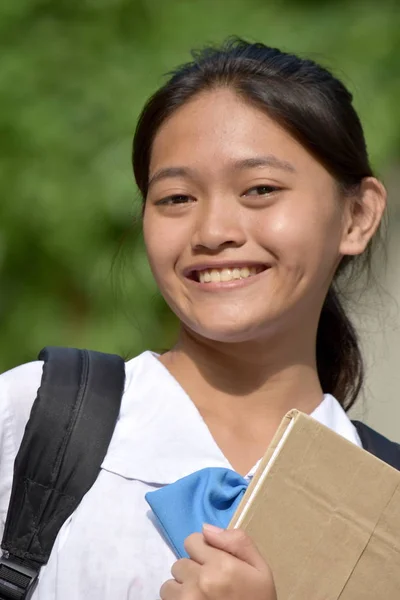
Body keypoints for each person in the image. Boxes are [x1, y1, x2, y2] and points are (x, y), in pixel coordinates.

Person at [0, 37, 391, 599]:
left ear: (357, 215)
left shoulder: (384, 506)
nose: (213, 233)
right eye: (177, 198)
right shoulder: (33, 421)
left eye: (260, 189)